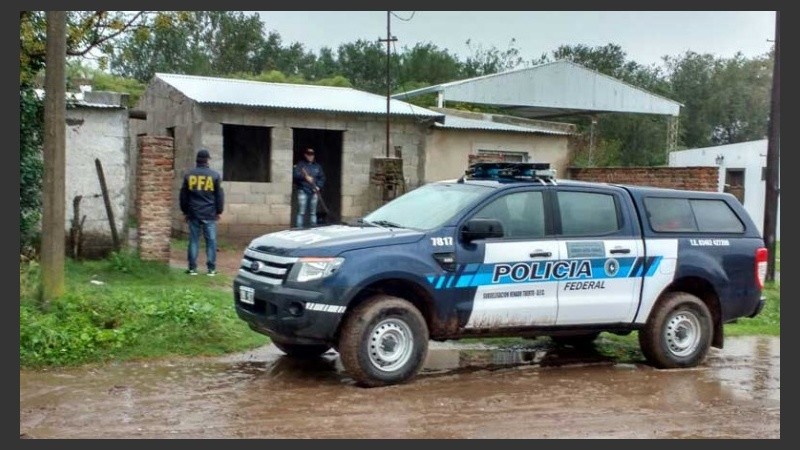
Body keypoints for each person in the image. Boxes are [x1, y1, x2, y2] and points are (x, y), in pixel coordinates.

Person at [180, 149, 224, 276]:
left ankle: (192, 268)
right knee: (211, 241)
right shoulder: (214, 175)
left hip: (193, 213)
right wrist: (219, 211)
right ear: (207, 160)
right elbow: (219, 196)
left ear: (197, 160)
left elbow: (184, 196)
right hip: (209, 213)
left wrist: (185, 211)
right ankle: (211, 269)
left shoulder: (189, 175)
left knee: (194, 240)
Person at [292, 147, 326, 228]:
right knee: (301, 212)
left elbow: (322, 178)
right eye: (309, 155)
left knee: (313, 212)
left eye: (312, 155)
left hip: (314, 191)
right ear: (305, 155)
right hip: (303, 190)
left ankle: (313, 228)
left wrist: (318, 186)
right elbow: (295, 175)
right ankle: (299, 228)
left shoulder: (317, 166)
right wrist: (305, 177)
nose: (310, 156)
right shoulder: (300, 165)